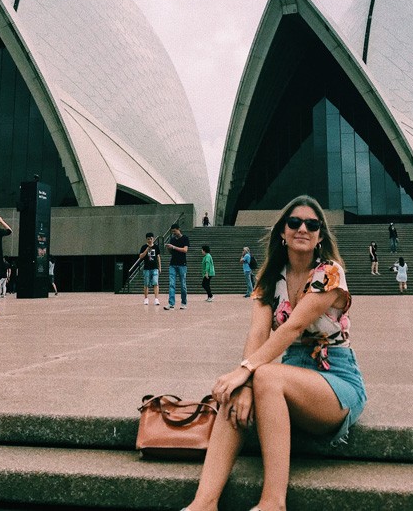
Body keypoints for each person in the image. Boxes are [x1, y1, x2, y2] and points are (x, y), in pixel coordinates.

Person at [181, 195, 365, 511]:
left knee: (258, 375)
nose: (302, 228)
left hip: (335, 383)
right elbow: (257, 334)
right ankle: (204, 503)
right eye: (294, 222)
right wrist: (245, 384)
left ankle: (272, 503)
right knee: (237, 392)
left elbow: (293, 328)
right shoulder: (269, 279)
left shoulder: (329, 273)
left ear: (320, 234)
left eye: (312, 224)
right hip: (287, 380)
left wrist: (247, 371)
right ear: (282, 231)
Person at [164, 223, 188, 310]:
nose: (173, 233)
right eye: (172, 232)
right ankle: (171, 303)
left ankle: (183, 302)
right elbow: (172, 252)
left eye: (175, 231)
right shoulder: (172, 240)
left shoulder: (185, 238)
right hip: (173, 264)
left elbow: (185, 250)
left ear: (179, 229)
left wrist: (173, 247)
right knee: (171, 284)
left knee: (183, 285)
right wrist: (169, 249)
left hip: (182, 264)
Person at [137, 232, 161, 306]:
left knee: (155, 283)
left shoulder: (156, 247)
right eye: (148, 239)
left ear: (153, 239)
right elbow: (140, 256)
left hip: (154, 268)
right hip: (147, 268)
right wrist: (146, 250)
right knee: (146, 283)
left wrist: (160, 267)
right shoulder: (144, 247)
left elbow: (158, 257)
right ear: (146, 239)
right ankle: (146, 298)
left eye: (151, 239)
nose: (150, 240)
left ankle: (156, 299)